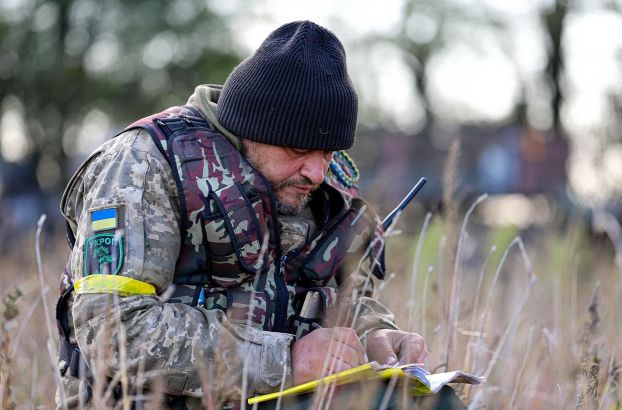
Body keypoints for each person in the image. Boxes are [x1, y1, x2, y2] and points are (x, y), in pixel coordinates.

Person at [55, 21, 462, 409]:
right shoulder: (143, 167)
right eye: (298, 150)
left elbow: (335, 298)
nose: (317, 172)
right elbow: (111, 330)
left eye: (328, 152)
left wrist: (376, 336)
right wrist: (284, 361)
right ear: (252, 128)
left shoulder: (315, 183)